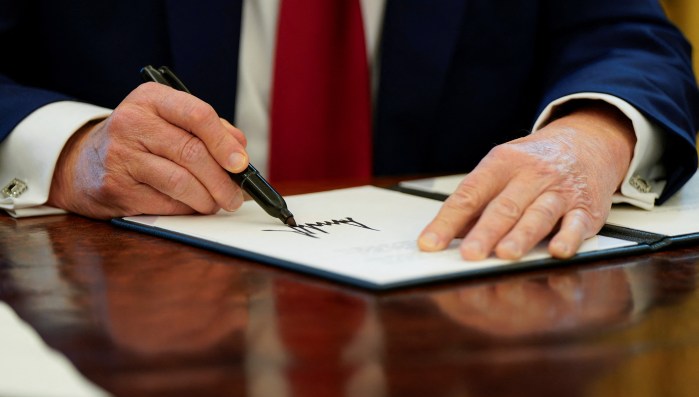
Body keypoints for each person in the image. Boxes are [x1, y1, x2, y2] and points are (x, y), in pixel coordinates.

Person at [0, 1, 697, 261]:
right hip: (122, 321)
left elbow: (625, 38)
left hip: (463, 317)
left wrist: (589, 136)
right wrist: (68, 149)